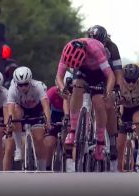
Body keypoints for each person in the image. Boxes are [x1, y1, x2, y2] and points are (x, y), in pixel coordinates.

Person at [55, 38, 115, 172]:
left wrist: (107, 92)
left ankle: (100, 141)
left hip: (99, 71)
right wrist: (62, 88)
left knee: (99, 102)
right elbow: (59, 77)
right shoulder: (68, 50)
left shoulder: (96, 50)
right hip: (82, 70)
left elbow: (111, 76)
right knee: (76, 88)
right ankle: (73, 130)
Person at [87, 25, 123, 171]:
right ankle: (82, 131)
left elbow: (118, 72)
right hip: (89, 74)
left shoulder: (112, 47)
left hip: (107, 76)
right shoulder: (84, 44)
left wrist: (118, 90)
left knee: (109, 104)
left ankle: (112, 140)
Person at [6, 66, 51, 171]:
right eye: (20, 85)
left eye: (26, 84)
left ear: (30, 81)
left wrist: (47, 121)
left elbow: (46, 106)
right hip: (21, 109)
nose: (23, 88)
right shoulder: (12, 89)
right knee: (15, 114)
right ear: (16, 83)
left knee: (39, 138)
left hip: (37, 110)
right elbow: (10, 111)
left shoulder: (38, 86)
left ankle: (42, 166)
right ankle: (18, 148)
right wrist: (9, 124)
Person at [116, 64, 139, 172]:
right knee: (120, 142)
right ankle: (118, 165)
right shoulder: (119, 84)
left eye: (133, 81)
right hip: (123, 109)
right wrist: (118, 118)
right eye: (128, 80)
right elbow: (115, 104)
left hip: (137, 108)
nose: (131, 83)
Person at [44, 85, 68, 171]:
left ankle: (68, 160)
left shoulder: (73, 93)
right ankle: (47, 166)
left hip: (68, 117)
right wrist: (47, 122)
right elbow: (45, 106)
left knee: (67, 141)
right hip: (53, 117)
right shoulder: (52, 91)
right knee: (49, 143)